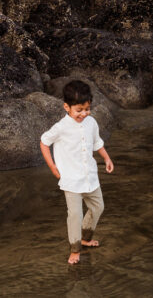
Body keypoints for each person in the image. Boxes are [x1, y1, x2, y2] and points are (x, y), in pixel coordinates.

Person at [40, 79, 115, 264]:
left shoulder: (91, 122)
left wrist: (106, 158)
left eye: (87, 109)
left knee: (98, 207)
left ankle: (85, 238)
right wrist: (52, 166)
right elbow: (44, 142)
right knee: (75, 215)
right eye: (79, 110)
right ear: (67, 107)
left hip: (90, 176)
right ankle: (75, 249)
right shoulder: (61, 127)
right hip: (71, 179)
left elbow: (97, 142)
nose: (84, 114)